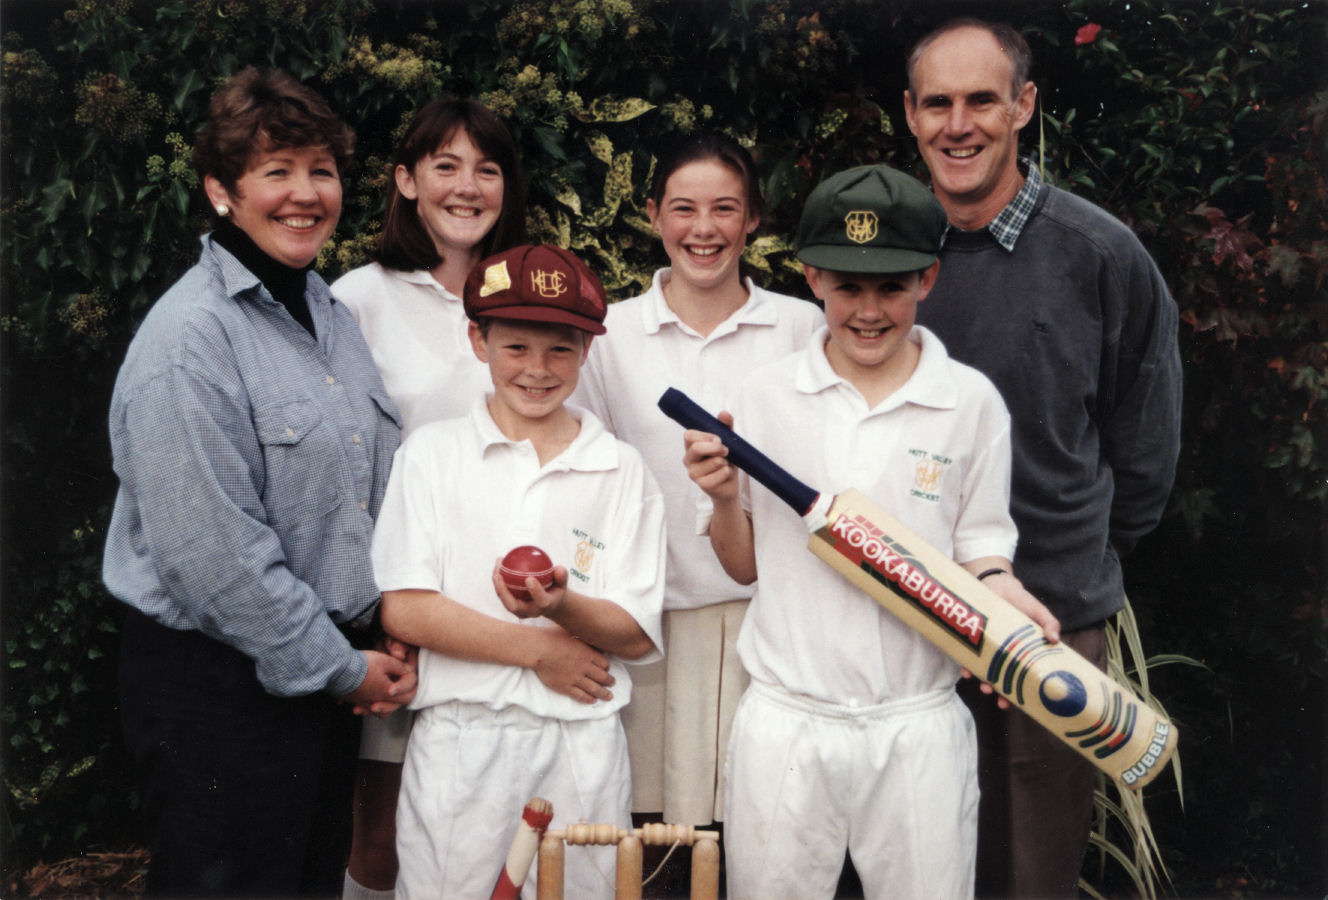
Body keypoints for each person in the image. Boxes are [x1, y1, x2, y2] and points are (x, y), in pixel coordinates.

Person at [683, 164, 1060, 899]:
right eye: (847, 286)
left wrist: (1006, 601)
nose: (868, 310)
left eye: (892, 286)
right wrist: (726, 498)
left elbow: (982, 550)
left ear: (929, 278)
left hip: (917, 724)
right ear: (811, 276)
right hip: (789, 719)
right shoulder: (765, 395)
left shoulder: (968, 401)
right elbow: (744, 568)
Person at [103, 66, 416, 897]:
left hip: (314, 677)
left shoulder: (330, 315)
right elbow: (217, 561)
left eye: (321, 170)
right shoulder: (188, 341)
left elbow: (360, 495)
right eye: (276, 172)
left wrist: (377, 622)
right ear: (221, 191)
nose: (304, 194)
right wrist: (342, 666)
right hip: (217, 690)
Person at [903, 19, 1183, 898]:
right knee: (927, 860)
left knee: (1034, 870)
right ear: (910, 116)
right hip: (907, 620)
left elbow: (1145, 443)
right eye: (938, 103)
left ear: (1022, 106)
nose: (959, 124)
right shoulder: (889, 257)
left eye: (981, 99)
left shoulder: (1099, 255)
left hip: (1051, 627)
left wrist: (1074, 560)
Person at [371, 244, 666, 899]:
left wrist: (562, 605)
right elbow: (407, 608)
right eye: (516, 347)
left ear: (587, 351)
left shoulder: (620, 469)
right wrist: (539, 651)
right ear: (478, 340)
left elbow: (636, 632)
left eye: (560, 349)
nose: (537, 369)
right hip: (460, 743)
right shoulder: (432, 455)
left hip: (578, 745)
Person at [573, 131, 822, 841]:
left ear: (753, 220)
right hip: (648, 625)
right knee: (647, 840)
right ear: (652, 214)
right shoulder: (610, 335)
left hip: (770, 627)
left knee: (766, 835)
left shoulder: (801, 327)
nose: (703, 229)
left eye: (725, 209)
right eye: (683, 208)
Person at [329, 96, 527, 900]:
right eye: (445, 165)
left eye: (487, 168)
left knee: (494, 826)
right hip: (404, 611)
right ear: (406, 181)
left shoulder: (531, 289)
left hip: (513, 607)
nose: (467, 186)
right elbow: (341, 472)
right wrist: (380, 615)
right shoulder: (357, 299)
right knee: (379, 833)